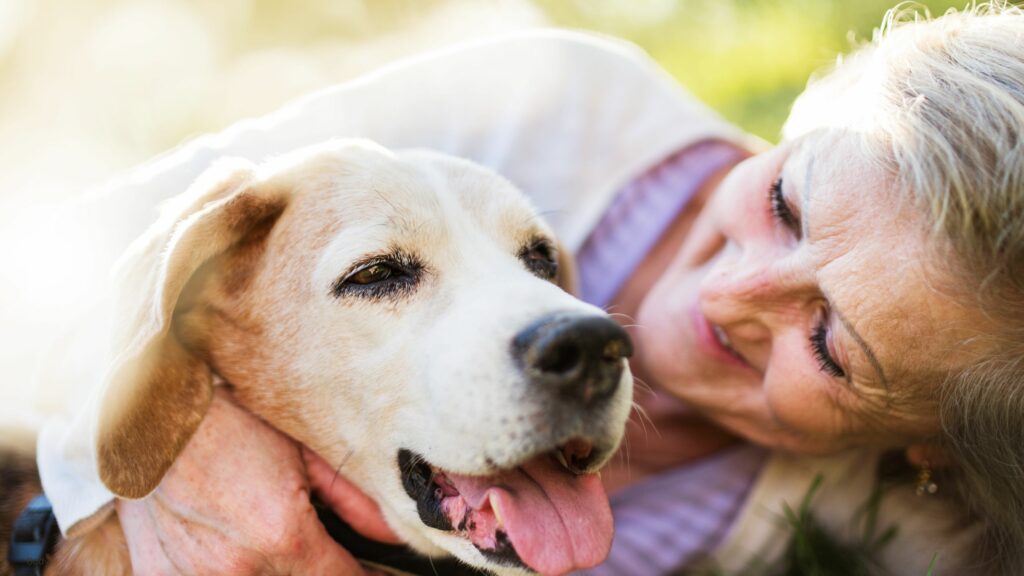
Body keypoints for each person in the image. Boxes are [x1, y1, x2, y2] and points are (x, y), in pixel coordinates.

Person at [29, 3, 1024, 575]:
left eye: (832, 346)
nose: (731, 292)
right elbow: (49, 259)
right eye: (786, 203)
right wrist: (136, 465)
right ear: (801, 122)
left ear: (929, 444)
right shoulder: (551, 102)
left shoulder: (893, 515)